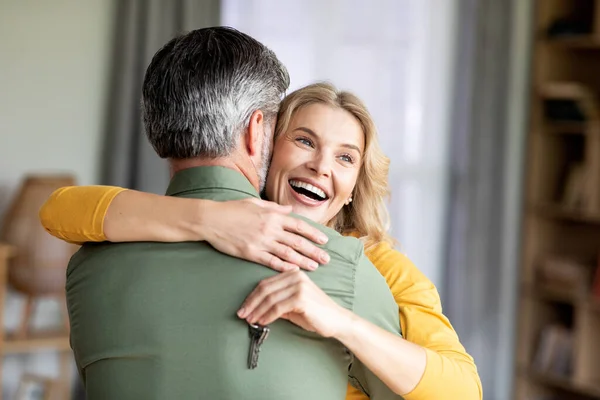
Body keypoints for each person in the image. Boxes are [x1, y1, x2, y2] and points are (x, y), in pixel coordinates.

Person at [43, 80, 483, 399]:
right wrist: (209, 220)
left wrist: (338, 320)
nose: (321, 167)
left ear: (353, 184)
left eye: (345, 157)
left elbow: (463, 390)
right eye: (305, 141)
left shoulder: (382, 269)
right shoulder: (216, 232)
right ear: (265, 145)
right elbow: (61, 211)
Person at [58, 27, 404, 400]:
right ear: (257, 131)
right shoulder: (337, 264)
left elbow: (59, 209)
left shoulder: (86, 269)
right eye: (296, 137)